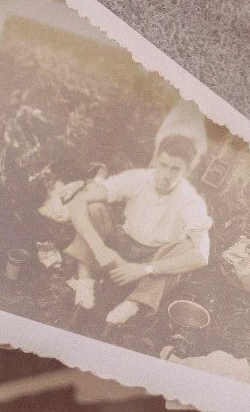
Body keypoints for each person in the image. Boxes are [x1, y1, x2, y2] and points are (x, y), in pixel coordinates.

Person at [64, 132, 212, 326]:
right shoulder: (139, 178)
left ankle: (132, 305)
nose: (166, 175)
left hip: (154, 260)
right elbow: (78, 200)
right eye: (163, 165)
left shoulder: (191, 200)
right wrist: (100, 248)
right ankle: (85, 283)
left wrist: (145, 269)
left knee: (186, 249)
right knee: (94, 209)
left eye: (175, 169)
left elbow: (201, 256)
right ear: (156, 160)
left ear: (187, 170)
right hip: (119, 247)